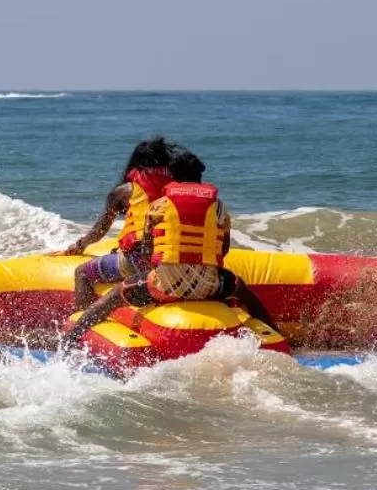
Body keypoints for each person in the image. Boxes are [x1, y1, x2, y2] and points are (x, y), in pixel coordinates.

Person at [63, 149, 283, 345]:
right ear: (200, 177)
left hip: (165, 285)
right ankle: (278, 336)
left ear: (173, 178)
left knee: (114, 296)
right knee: (242, 289)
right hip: (211, 285)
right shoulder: (219, 208)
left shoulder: (159, 206)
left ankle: (72, 338)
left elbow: (150, 253)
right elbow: (222, 251)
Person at [64, 137, 174, 312]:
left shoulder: (125, 191)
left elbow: (100, 230)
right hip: (173, 259)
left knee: (82, 273)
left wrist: (79, 245)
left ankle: (82, 322)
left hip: (140, 261)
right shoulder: (178, 187)